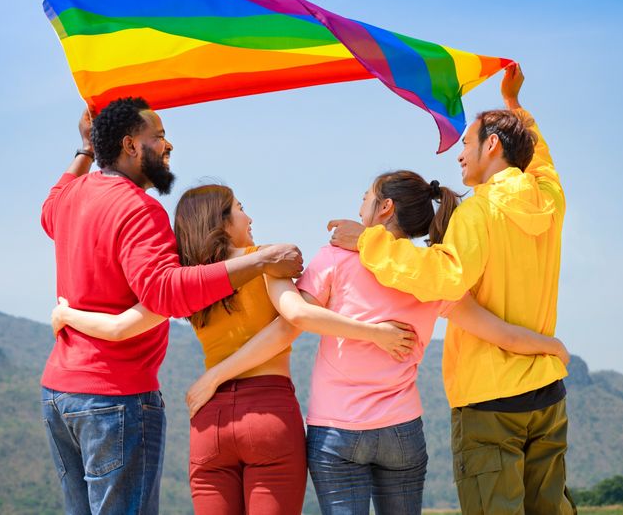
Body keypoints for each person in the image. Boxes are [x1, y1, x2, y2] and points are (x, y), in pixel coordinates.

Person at [51, 183, 417, 515]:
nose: (250, 216)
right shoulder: (266, 261)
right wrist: (376, 332)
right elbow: (292, 321)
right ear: (222, 221)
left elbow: (118, 328)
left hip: (209, 422)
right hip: (268, 417)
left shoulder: (186, 281)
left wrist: (67, 314)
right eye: (241, 207)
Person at [328, 64, 575, 515]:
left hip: (490, 399)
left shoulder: (478, 212)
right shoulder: (550, 201)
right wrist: (516, 107)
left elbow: (443, 277)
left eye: (465, 143)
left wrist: (368, 241)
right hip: (548, 394)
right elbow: (542, 161)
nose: (459, 154)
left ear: (492, 145)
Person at [39, 97, 303, 515]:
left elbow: (48, 212)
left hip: (59, 395)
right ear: (130, 145)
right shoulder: (140, 210)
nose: (168, 146)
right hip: (115, 398)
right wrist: (259, 260)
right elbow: (164, 291)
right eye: (158, 136)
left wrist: (86, 149)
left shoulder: (73, 196)